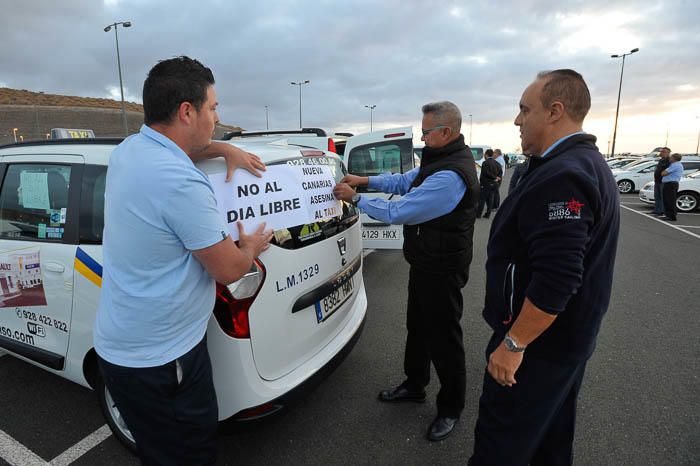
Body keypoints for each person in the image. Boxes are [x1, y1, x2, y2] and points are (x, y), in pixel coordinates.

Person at [94, 56, 273, 465]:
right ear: (186, 111)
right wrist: (252, 247)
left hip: (130, 349)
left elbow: (179, 150)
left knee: (160, 451)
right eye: (213, 108)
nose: (217, 117)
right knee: (187, 454)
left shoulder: (129, 150)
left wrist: (223, 146)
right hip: (161, 360)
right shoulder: (179, 181)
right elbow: (228, 270)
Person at [468, 69, 620, 466]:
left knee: (501, 446)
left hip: (538, 347)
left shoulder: (565, 175)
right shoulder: (576, 163)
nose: (517, 120)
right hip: (562, 342)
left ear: (555, 111)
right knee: (547, 443)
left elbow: (559, 277)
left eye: (524, 109)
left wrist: (514, 344)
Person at [333, 101, 479, 442]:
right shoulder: (437, 158)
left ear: (447, 131)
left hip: (443, 267)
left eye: (427, 132)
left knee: (444, 338)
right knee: (418, 328)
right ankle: (415, 384)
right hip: (426, 261)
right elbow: (403, 181)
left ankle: (450, 407)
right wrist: (365, 179)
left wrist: (355, 198)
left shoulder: (451, 174)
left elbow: (402, 210)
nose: (423, 137)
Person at [476, 149, 502, 218]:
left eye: (484, 154)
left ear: (486, 155)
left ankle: (478, 214)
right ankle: (488, 214)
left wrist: (494, 177)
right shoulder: (497, 163)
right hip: (494, 184)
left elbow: (486, 173)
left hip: (485, 184)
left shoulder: (485, 163)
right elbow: (500, 172)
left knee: (482, 199)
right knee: (490, 199)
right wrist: (497, 178)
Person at [660, 153, 683, 221]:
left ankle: (671, 216)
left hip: (670, 184)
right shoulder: (675, 165)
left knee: (669, 200)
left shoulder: (675, 165)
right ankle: (668, 215)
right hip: (671, 184)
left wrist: (664, 171)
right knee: (668, 200)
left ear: (674, 158)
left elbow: (663, 173)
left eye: (671, 157)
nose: (669, 159)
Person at [652, 147, 671, 216]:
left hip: (663, 181)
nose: (662, 153)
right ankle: (657, 210)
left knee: (662, 197)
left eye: (664, 152)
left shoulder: (669, 161)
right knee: (657, 196)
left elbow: (668, 171)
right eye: (661, 151)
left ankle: (662, 211)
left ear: (668, 153)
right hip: (657, 180)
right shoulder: (661, 160)